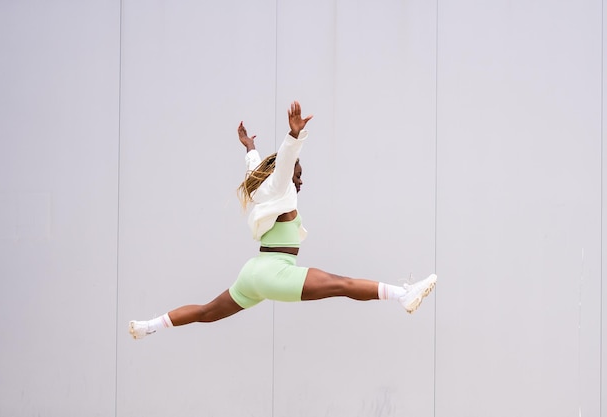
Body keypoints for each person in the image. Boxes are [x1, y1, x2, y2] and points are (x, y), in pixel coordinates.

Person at [129, 101, 436, 339]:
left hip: (254, 272)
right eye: (298, 177)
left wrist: (250, 147)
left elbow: (254, 167)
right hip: (275, 271)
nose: (300, 183)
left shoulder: (264, 187)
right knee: (341, 284)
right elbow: (286, 161)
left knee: (208, 311)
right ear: (287, 174)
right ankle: (403, 294)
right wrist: (294, 134)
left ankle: (148, 326)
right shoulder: (280, 185)